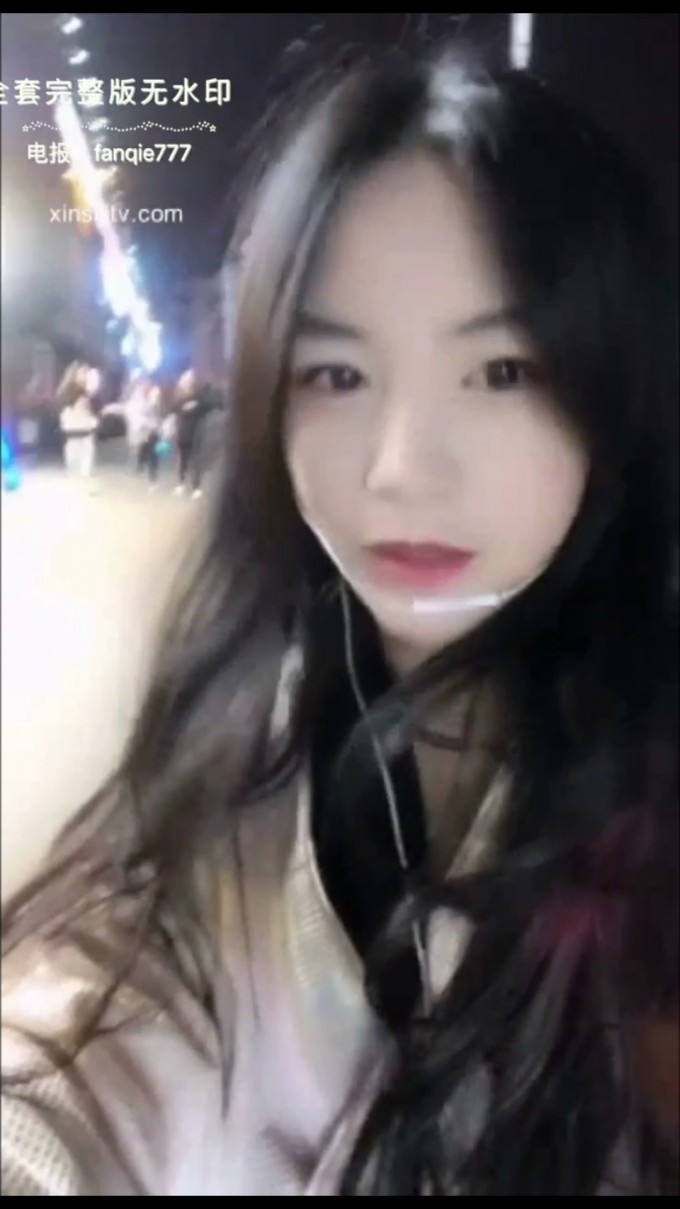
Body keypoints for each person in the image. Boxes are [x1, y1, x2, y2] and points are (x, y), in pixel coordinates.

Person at [2, 52, 677, 1197]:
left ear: (612, 384)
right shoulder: (233, 728)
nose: (399, 469)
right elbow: (99, 1015)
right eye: (335, 376)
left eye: (500, 369)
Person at [173, 369, 211, 498]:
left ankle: (196, 487)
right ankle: (181, 484)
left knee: (196, 461)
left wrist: (196, 403)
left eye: (190, 381)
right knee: (182, 460)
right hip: (183, 433)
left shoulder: (200, 398)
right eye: (186, 381)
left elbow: (206, 408)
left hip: (196, 433)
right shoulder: (179, 398)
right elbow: (174, 409)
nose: (188, 384)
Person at [59, 392, 98, 482]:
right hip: (72, 441)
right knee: (72, 464)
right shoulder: (67, 412)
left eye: (85, 403)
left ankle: (84, 475)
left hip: (85, 441)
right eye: (80, 402)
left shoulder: (88, 415)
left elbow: (94, 425)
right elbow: (65, 426)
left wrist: (87, 415)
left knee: (85, 463)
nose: (82, 404)